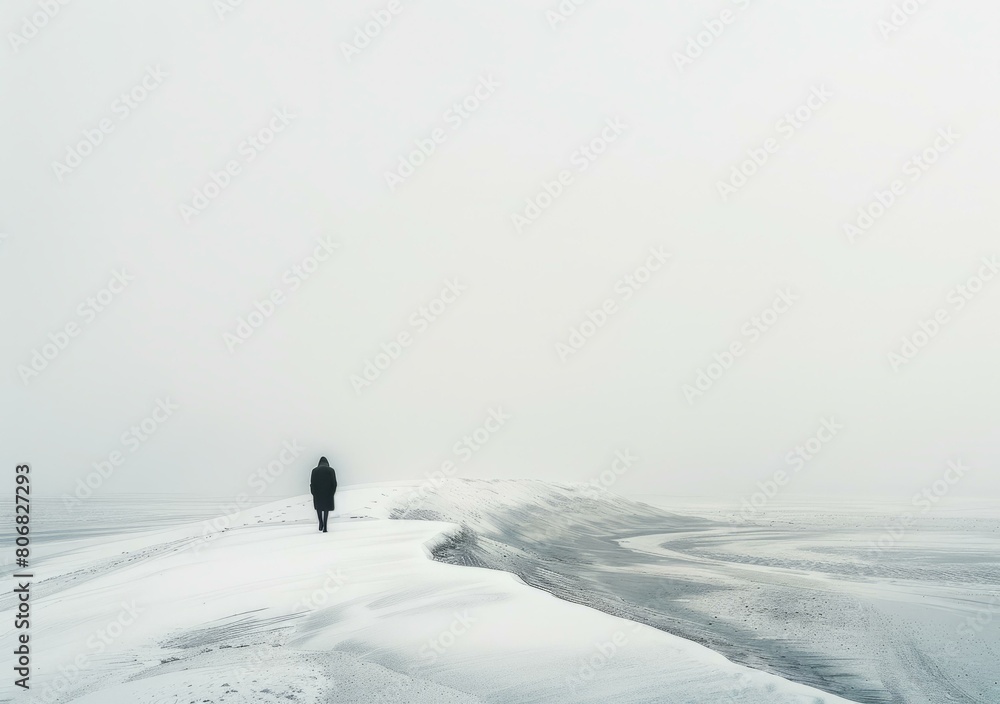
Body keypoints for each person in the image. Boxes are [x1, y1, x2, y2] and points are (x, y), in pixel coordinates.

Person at [310, 456, 337, 532]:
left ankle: (320, 522)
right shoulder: (331, 470)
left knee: (319, 508)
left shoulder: (314, 471)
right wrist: (332, 492)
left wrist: (313, 492)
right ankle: (325, 526)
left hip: (318, 492)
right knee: (326, 509)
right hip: (328, 492)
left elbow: (312, 483)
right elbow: (334, 483)